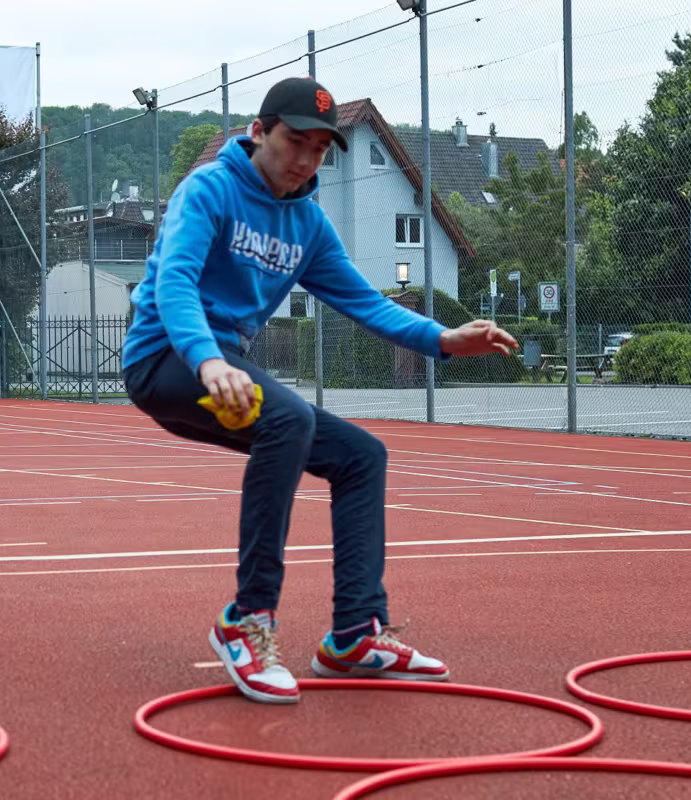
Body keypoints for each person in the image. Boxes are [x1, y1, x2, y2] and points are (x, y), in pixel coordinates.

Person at [122, 77, 518, 705]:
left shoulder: (308, 225)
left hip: (225, 364)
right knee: (288, 421)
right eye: (294, 142)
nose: (305, 160)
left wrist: (445, 339)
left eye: (319, 150)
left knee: (361, 456)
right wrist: (205, 362)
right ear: (259, 133)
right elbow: (175, 284)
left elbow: (366, 302)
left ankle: (356, 633)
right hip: (165, 356)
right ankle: (247, 621)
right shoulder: (210, 190)